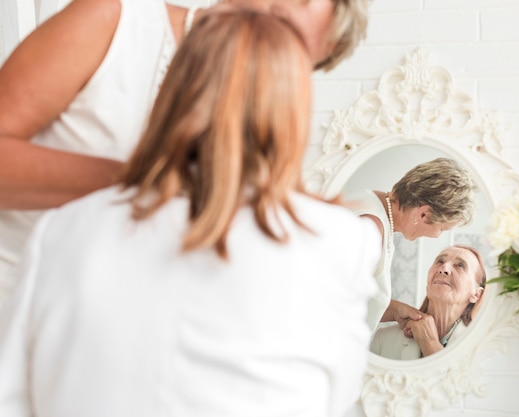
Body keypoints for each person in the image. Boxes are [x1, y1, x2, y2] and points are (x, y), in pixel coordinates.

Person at [0, 10, 380, 417]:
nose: (268, 60)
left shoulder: (65, 228)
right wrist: (161, 180)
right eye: (283, 38)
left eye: (302, 61)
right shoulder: (115, 18)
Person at [0, 0, 370, 302]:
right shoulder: (114, 22)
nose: (267, 46)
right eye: (277, 20)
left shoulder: (248, 137)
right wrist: (154, 180)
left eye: (294, 53)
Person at [346, 157, 477, 332]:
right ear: (423, 214)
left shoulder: (371, 204)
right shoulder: (370, 230)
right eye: (442, 229)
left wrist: (394, 311)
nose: (438, 236)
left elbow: (352, 296)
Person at [370, 245, 486, 360]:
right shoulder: (384, 339)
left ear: (476, 294)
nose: (443, 268)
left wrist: (429, 343)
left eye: (460, 265)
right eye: (440, 261)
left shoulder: (481, 346)